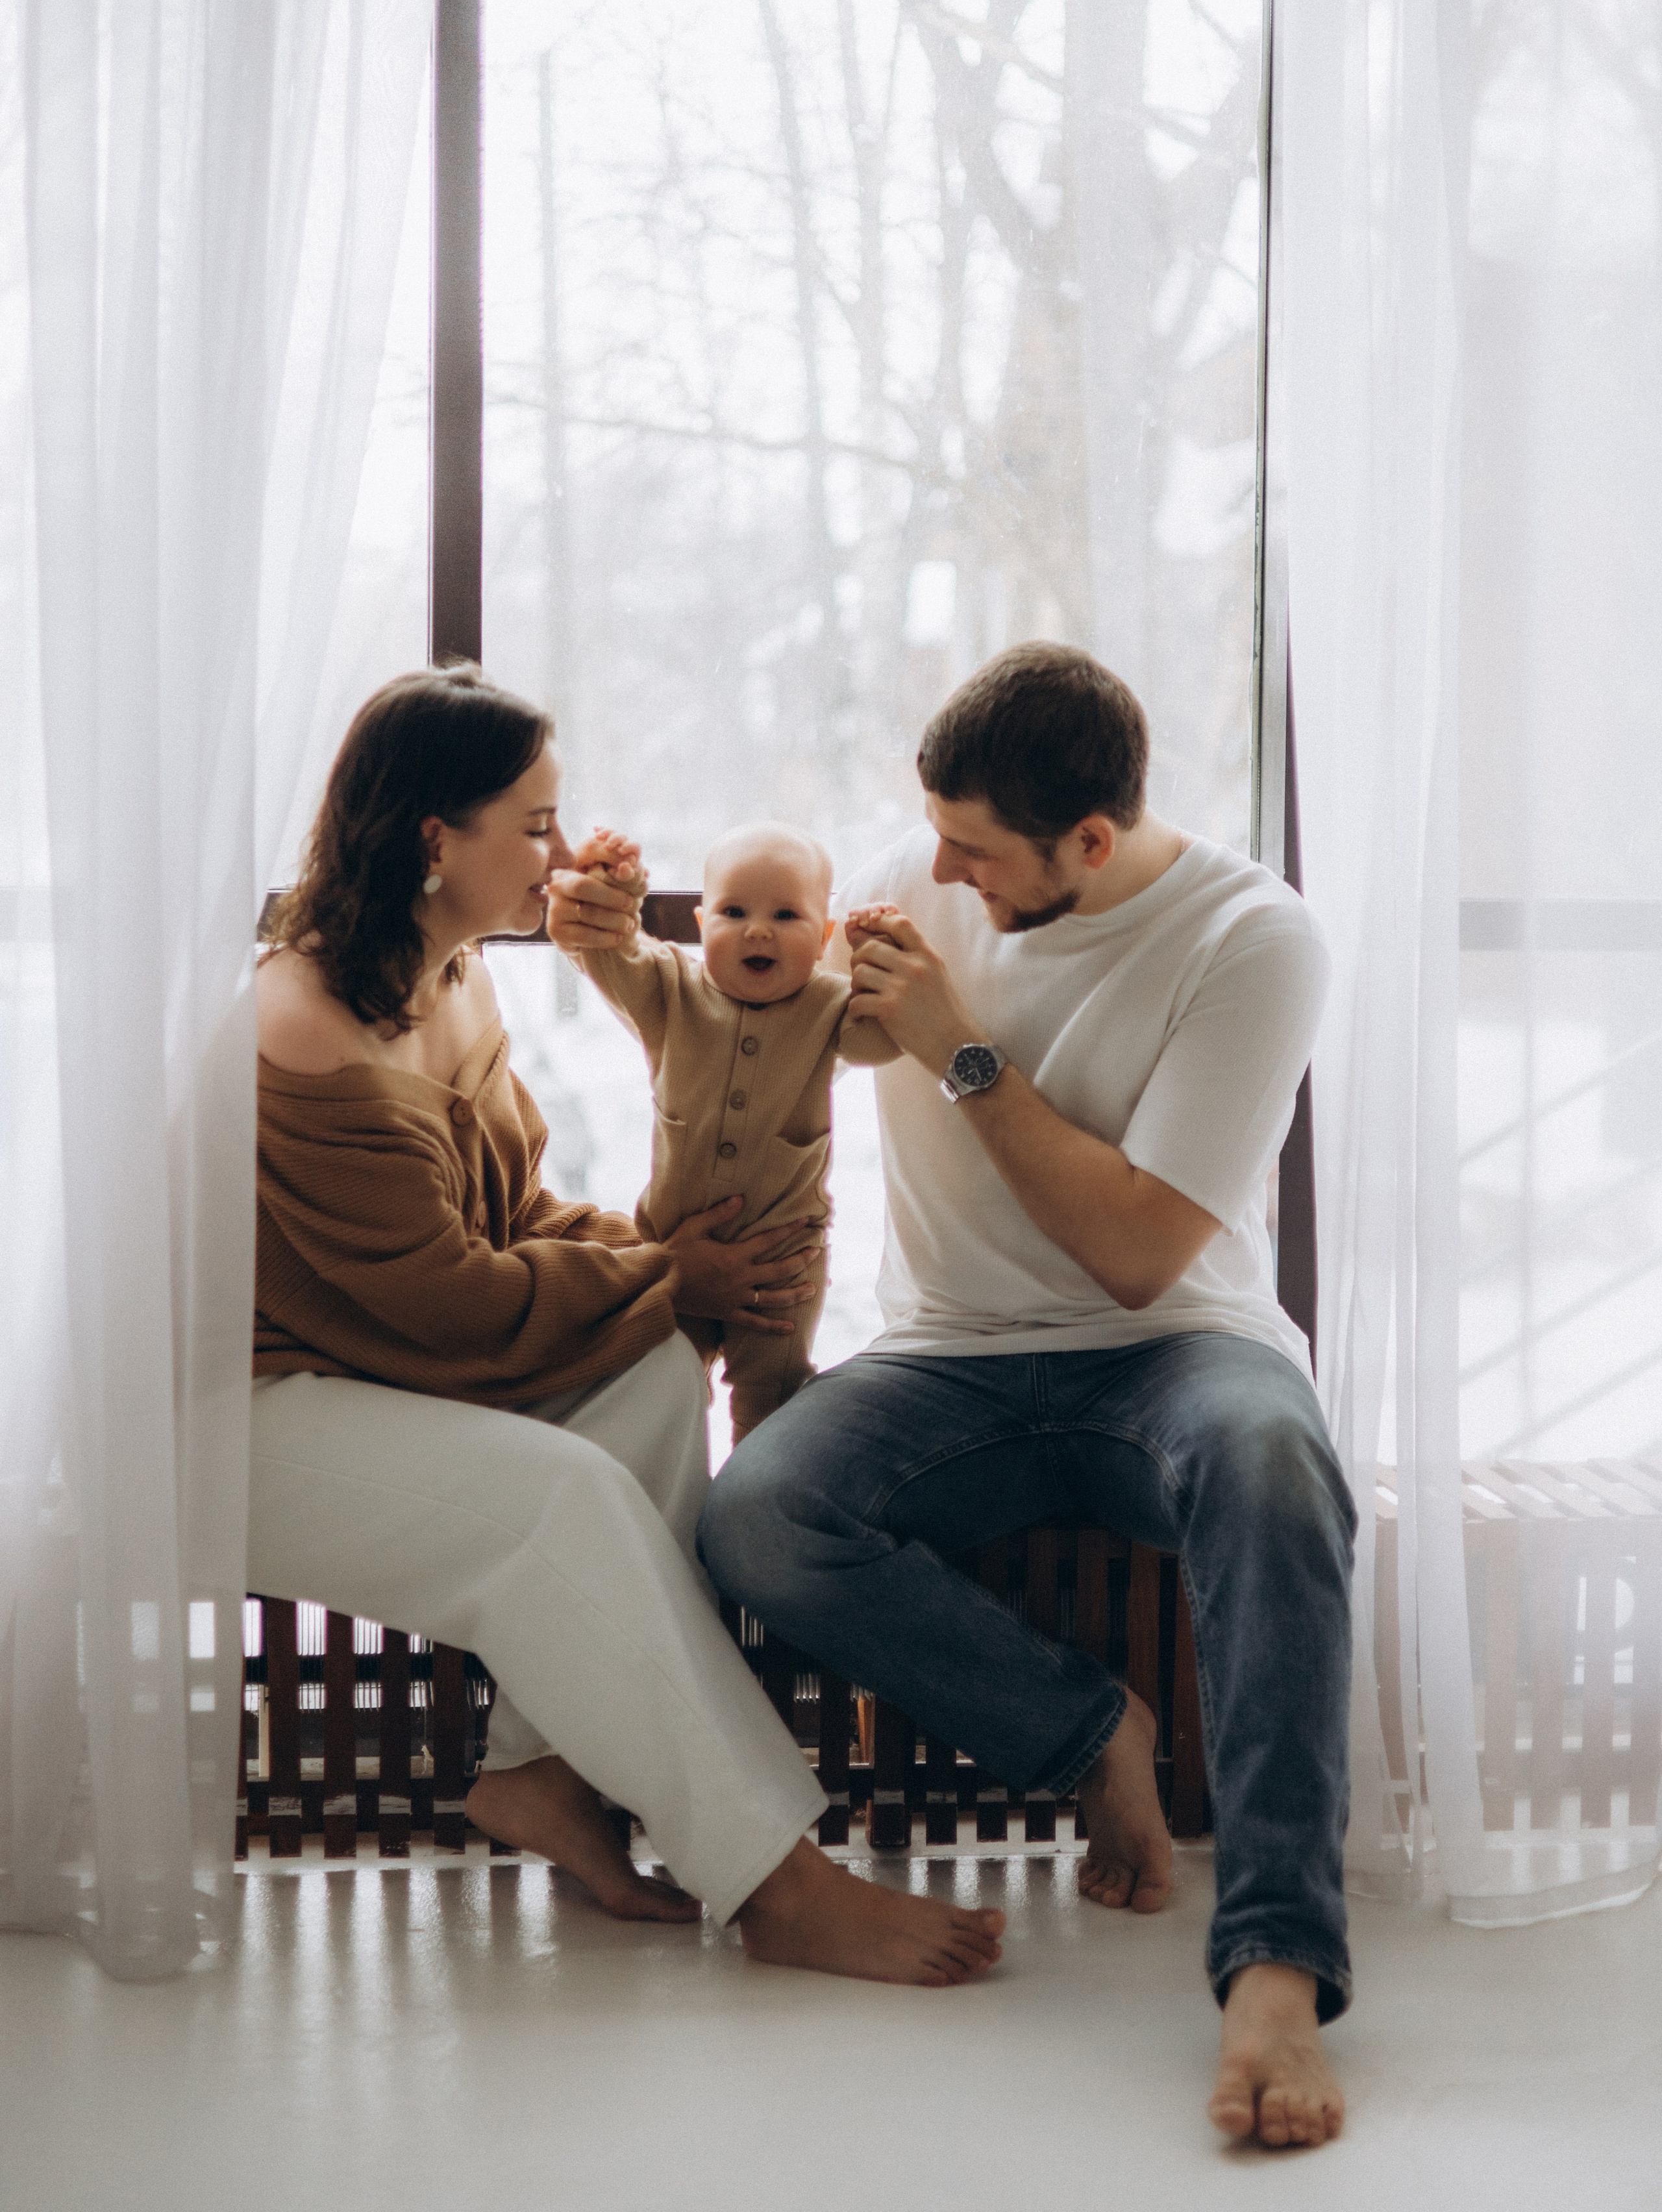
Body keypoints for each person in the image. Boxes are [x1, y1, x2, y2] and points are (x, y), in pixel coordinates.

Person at [686, 643, 1354, 2148]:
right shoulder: (913, 884)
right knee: (761, 1514)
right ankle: (1080, 1730)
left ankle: (1273, 1963)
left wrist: (955, 1048)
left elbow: (1130, 1252)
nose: (934, 872)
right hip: (951, 1353)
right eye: (931, 834)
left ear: (1091, 843)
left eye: (972, 852)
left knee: (1271, 1465)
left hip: (1179, 1341)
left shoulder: (1250, 936)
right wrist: (616, 945)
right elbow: (741, 1026)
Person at [250, 664, 1003, 1987]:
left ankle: (537, 1777)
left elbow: (517, 1212)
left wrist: (668, 1279)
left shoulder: (451, 973)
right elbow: (449, 1306)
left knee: (656, 1378)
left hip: (379, 1366)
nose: (561, 847)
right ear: (438, 838)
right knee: (561, 1498)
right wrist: (672, 1267)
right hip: (245, 1411)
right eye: (534, 823)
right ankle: (776, 1879)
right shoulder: (306, 1030)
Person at [567, 821, 897, 1440]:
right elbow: (609, 953)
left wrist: (877, 963)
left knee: (771, 1397)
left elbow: (884, 1038)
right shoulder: (671, 989)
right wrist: (615, 887)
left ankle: (743, 1511)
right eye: (734, 911)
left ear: (824, 935)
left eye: (786, 915)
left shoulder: (827, 1005)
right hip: (672, 1251)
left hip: (782, 1272)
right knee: (659, 1392)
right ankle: (670, 1511)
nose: (758, 929)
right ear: (701, 925)